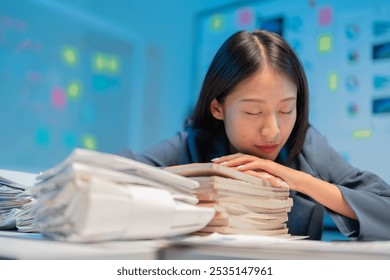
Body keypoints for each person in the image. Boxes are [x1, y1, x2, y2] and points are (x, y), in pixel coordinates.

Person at [121, 29, 390, 241]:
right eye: (252, 112)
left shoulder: (308, 146)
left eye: (286, 110)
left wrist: (303, 181)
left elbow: (384, 207)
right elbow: (113, 178)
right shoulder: (189, 146)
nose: (272, 130)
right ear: (218, 108)